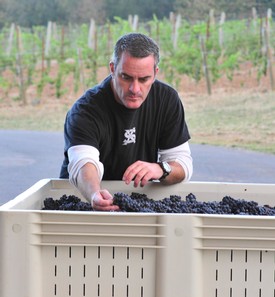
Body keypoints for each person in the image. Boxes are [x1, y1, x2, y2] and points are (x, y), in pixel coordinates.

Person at [60, 32, 193, 211]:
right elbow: (83, 163)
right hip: (82, 202)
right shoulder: (85, 110)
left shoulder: (167, 100)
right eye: (126, 77)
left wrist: (161, 169)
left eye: (144, 79)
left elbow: (183, 164)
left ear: (155, 74)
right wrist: (93, 193)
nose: (135, 89)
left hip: (138, 204)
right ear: (113, 69)